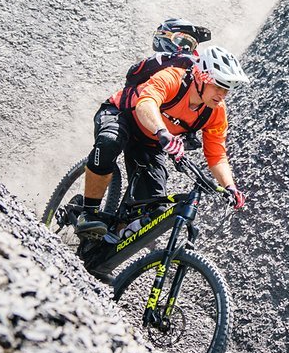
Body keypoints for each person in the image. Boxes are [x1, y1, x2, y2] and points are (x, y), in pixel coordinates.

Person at [73, 34, 250, 238]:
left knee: (152, 207)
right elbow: (145, 104)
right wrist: (162, 132)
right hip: (121, 115)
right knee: (109, 143)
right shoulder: (172, 77)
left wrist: (230, 187)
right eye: (218, 86)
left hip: (151, 142)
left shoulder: (215, 111)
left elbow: (217, 153)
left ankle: (106, 244)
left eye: (226, 89)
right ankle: (88, 213)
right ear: (202, 77)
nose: (222, 94)